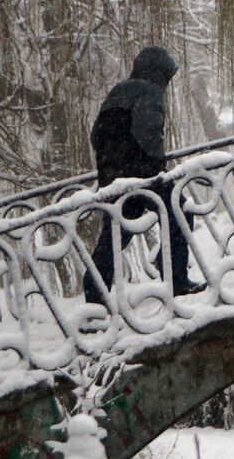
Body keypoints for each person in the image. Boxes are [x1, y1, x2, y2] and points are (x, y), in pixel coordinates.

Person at [82, 46, 204, 303]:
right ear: (158, 72)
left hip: (112, 177)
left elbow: (96, 135)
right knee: (179, 208)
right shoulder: (150, 91)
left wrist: (113, 162)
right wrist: (158, 167)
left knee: (115, 235)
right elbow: (147, 131)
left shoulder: (117, 91)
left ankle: (94, 295)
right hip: (142, 174)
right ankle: (175, 276)